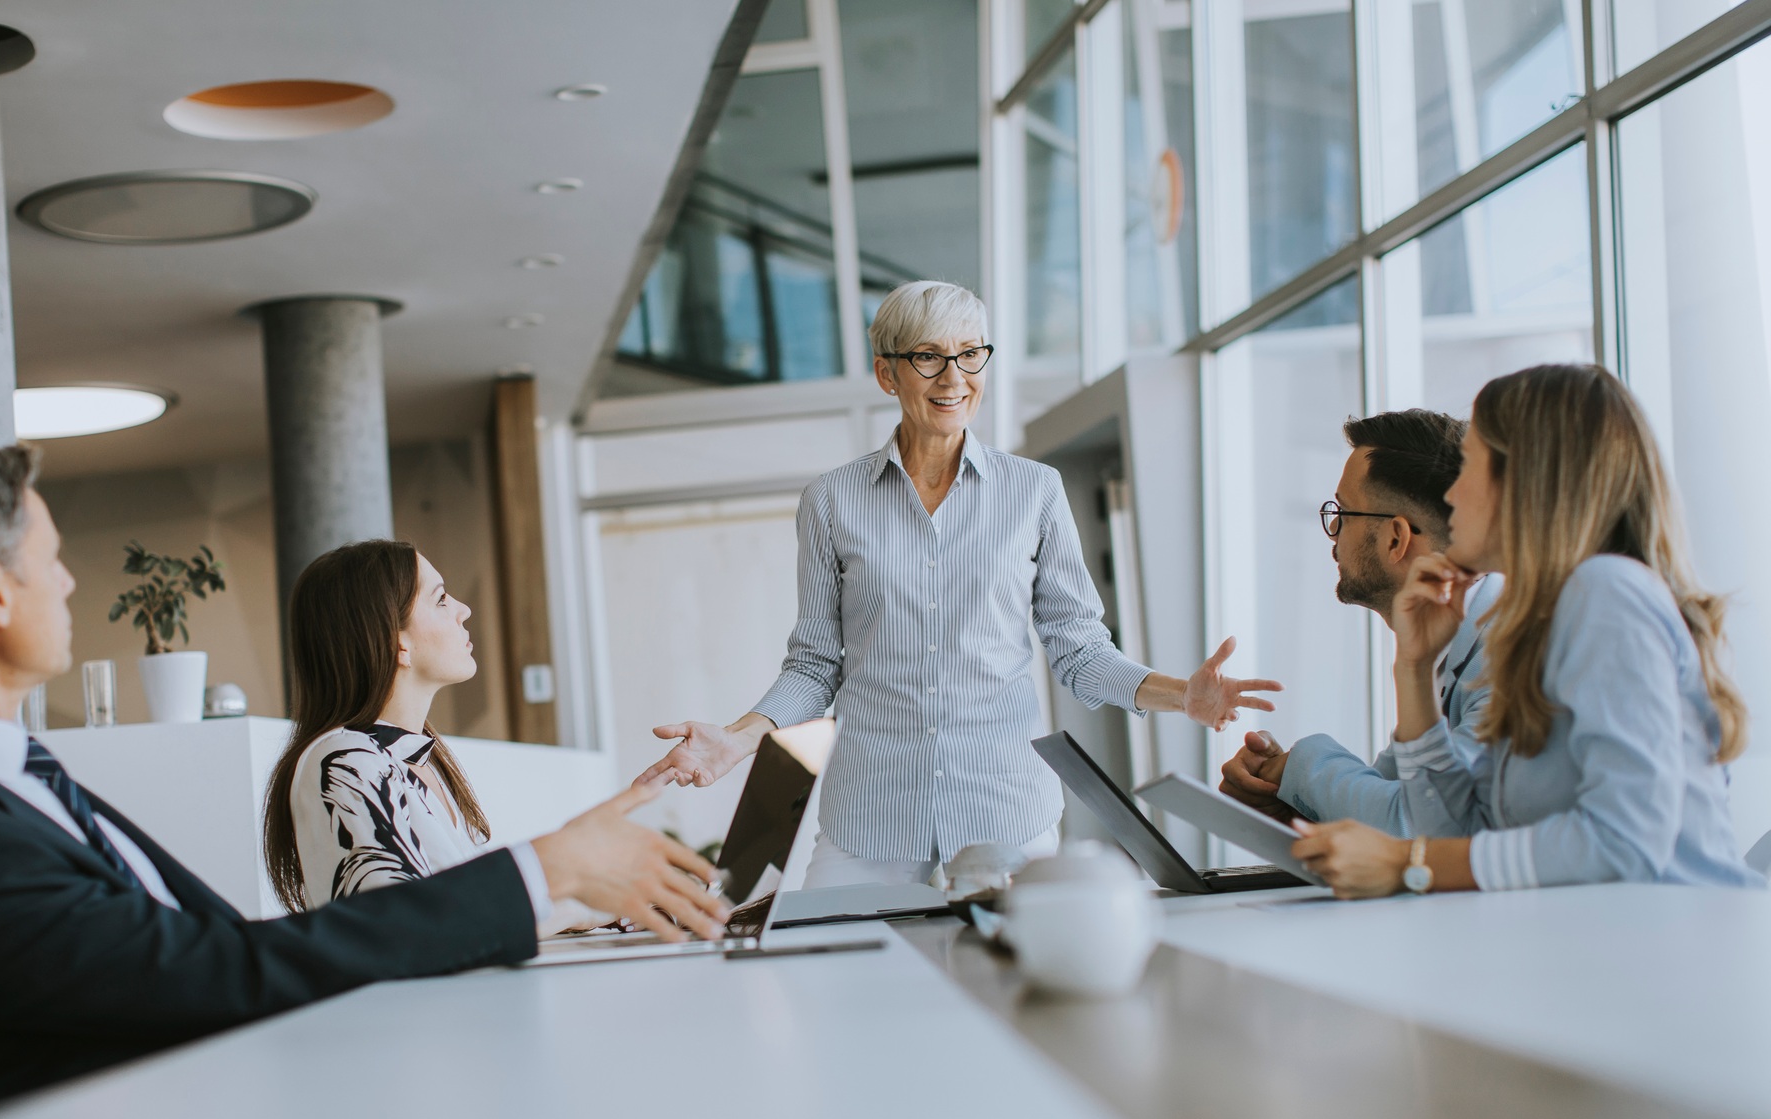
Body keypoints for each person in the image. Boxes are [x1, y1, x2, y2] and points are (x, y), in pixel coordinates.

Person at [0, 445, 727, 1110]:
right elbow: (203, 977)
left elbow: (198, 955)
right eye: (51, 559)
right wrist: (549, 869)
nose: (67, 583)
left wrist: (569, 866)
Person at [637, 280, 1280, 888]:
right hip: (870, 817)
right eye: (929, 357)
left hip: (1005, 812)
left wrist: (1181, 696)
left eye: (971, 355)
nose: (955, 378)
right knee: (834, 988)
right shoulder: (831, 501)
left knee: (1012, 993)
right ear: (887, 372)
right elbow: (813, 665)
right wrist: (737, 740)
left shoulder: (1035, 492)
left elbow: (1080, 653)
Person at [1291, 364, 1763, 896]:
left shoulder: (1606, 591)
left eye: (1468, 466)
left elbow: (1625, 840)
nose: (1451, 495)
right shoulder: (1540, 623)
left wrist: (1406, 863)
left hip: (1680, 961)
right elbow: (1452, 832)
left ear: (1524, 482)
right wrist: (1415, 667)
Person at [264, 539, 591, 933]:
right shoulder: (346, 759)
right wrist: (580, 904)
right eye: (440, 600)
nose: (463, 610)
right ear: (395, 639)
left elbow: (471, 910)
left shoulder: (413, 759)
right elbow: (415, 932)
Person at [1219, 409, 1502, 830]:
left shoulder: (1507, 657)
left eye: (1343, 513)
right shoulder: (1451, 649)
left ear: (1395, 538)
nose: (1333, 535)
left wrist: (1301, 765)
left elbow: (1417, 824)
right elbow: (1396, 794)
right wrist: (1286, 796)